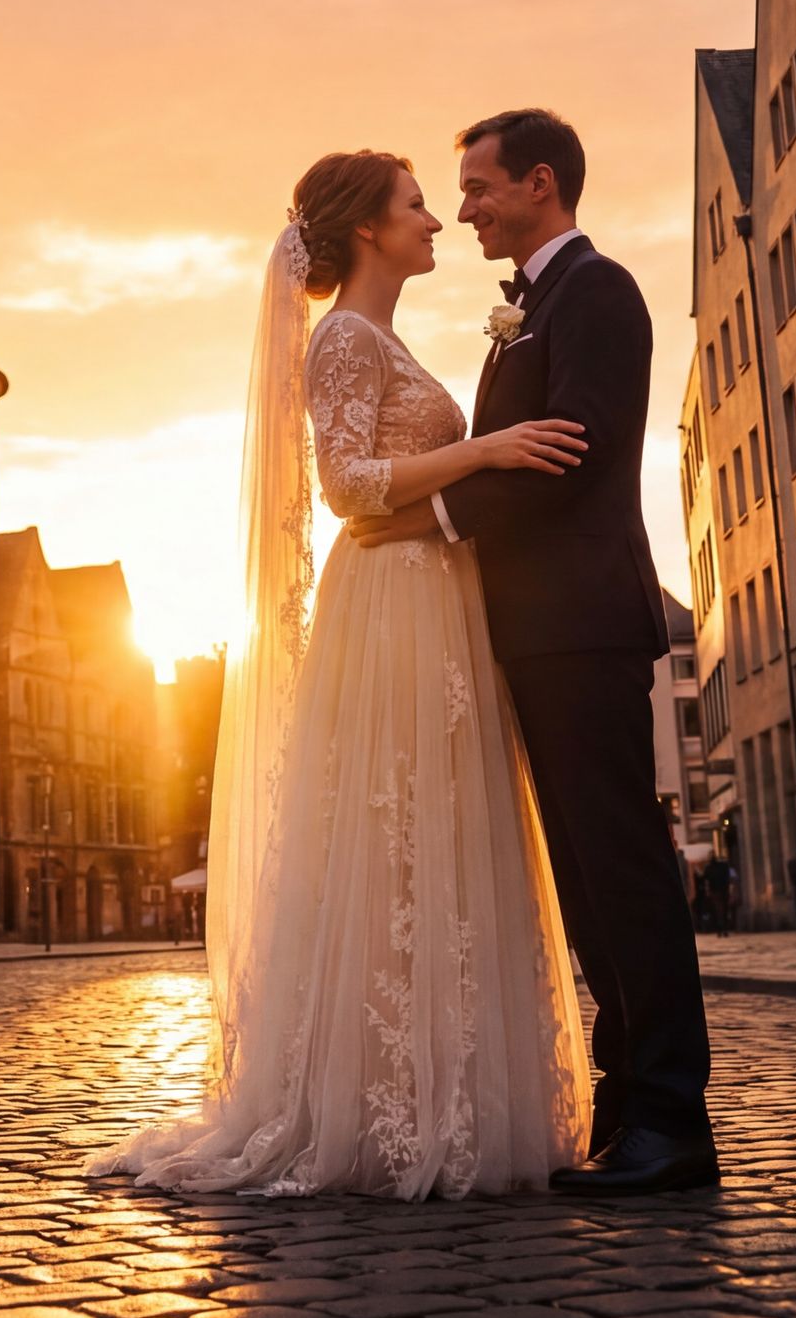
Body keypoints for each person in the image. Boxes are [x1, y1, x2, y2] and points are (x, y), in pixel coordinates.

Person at [88, 150, 596, 1199]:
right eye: (417, 205)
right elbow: (347, 485)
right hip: (392, 602)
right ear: (368, 228)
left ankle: (444, 1088)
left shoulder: (382, 337)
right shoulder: (345, 340)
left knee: (435, 836)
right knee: (392, 829)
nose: (437, 220)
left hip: (435, 600)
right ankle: (381, 1101)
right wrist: (484, 452)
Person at [348, 109, 716, 1195]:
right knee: (590, 883)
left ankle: (670, 1123)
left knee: (625, 875)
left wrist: (432, 523)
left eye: (478, 187)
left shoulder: (592, 292)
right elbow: (517, 450)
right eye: (454, 192)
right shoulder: (533, 306)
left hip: (583, 625)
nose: (463, 209)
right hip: (538, 630)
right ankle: (626, 1108)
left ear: (540, 183)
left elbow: (573, 453)